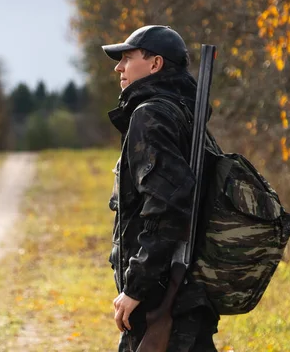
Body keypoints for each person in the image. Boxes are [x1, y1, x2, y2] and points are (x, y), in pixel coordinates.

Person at [102, 25, 220, 352]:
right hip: (188, 288)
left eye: (127, 58)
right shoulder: (185, 114)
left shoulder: (150, 115)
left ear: (155, 65)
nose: (118, 68)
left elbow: (167, 206)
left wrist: (136, 288)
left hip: (161, 292)